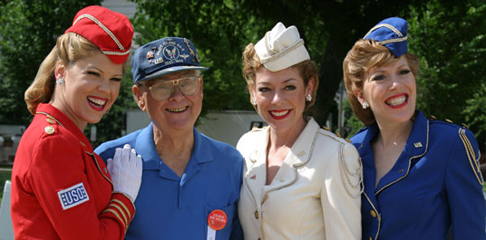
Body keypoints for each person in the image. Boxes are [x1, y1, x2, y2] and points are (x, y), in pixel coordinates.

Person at [343, 17, 486, 240]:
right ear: (361, 94)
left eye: (403, 72)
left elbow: (471, 233)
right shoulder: (351, 151)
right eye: (380, 77)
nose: (397, 85)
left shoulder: (451, 143)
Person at [10, 5, 142, 240]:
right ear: (61, 71)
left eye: (115, 79)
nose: (105, 89)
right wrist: (123, 198)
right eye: (93, 74)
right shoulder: (53, 144)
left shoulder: (67, 138)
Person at [95, 37, 244, 240]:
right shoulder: (108, 160)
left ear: (200, 88)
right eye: (162, 87)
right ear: (140, 97)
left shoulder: (231, 163)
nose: (177, 96)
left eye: (187, 83)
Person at [237, 22, 362, 239]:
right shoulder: (246, 146)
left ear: (309, 87)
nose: (277, 100)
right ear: (253, 92)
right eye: (265, 89)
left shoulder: (336, 155)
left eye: (289, 87)